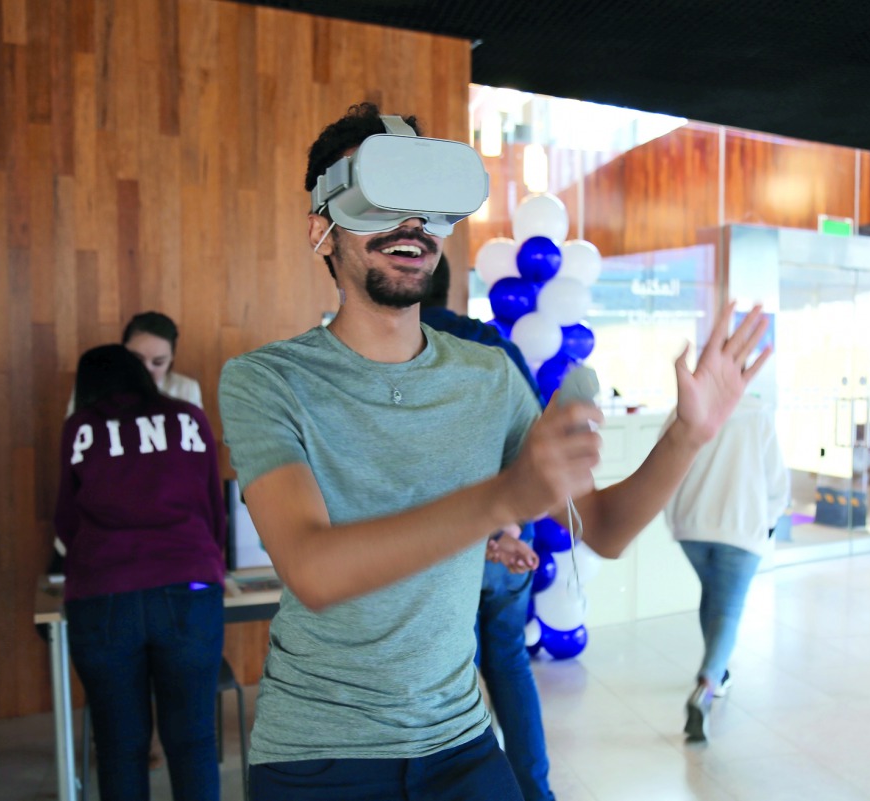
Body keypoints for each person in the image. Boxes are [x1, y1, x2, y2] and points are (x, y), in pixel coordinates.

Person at [218, 101, 769, 800]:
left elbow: (602, 527)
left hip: (460, 740)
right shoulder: (268, 380)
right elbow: (313, 569)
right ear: (322, 230)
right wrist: (500, 502)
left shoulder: (487, 375)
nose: (410, 224)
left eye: (424, 203)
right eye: (379, 199)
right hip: (321, 752)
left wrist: (687, 434)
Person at [55, 345, 227, 801]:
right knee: (193, 741)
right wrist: (208, 564)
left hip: (102, 593)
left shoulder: (81, 428)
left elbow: (66, 521)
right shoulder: (189, 417)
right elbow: (213, 505)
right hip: (189, 584)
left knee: (119, 747)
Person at [422, 255, 556, 801]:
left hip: (441, 547)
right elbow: (537, 446)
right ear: (451, 289)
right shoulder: (498, 349)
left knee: (454, 685)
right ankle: (536, 793)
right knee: (510, 665)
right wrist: (511, 527)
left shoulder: (402, 351)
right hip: (508, 539)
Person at [662, 392, 790, 743]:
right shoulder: (757, 415)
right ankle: (706, 684)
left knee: (714, 598)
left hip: (691, 527)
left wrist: (673, 518)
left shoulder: (683, 411)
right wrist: (768, 521)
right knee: (728, 609)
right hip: (741, 528)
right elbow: (777, 481)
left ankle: (721, 670)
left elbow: (662, 469)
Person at [65, 311, 201, 415]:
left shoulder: (186, 390)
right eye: (137, 359)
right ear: (122, 353)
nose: (146, 368)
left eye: (158, 362)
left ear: (171, 360)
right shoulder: (94, 385)